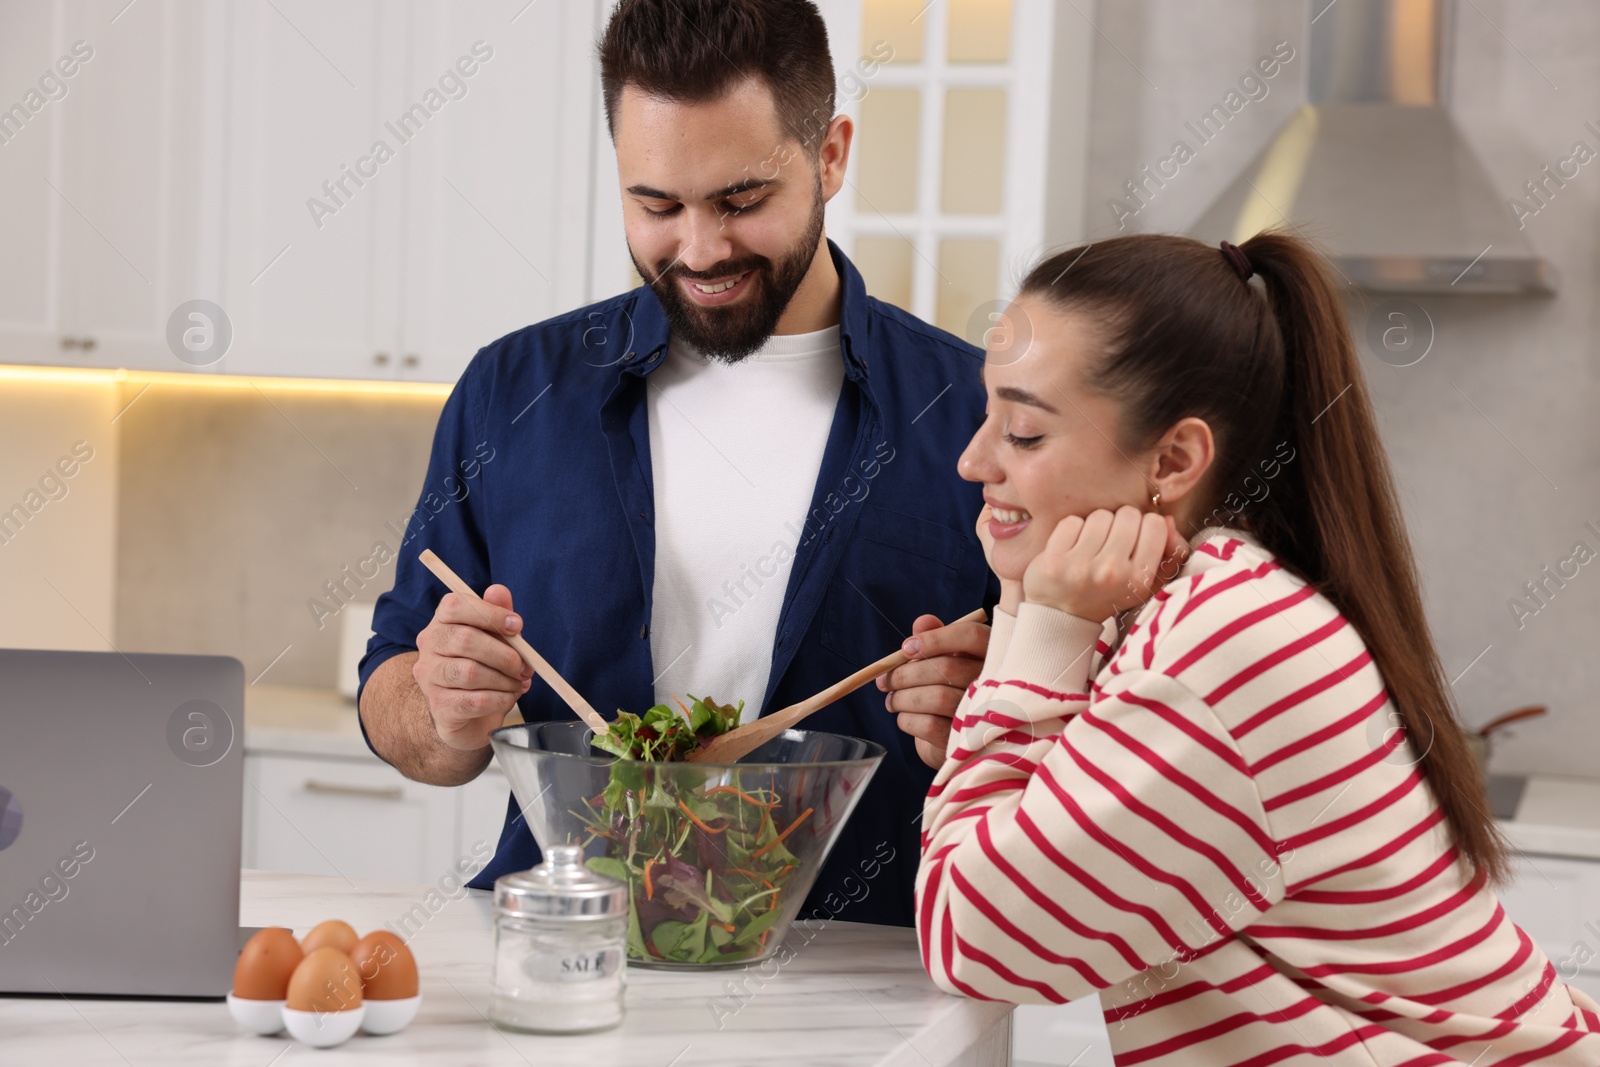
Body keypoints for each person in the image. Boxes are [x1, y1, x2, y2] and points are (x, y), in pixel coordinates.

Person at [357, 0, 997, 927]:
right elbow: (395, 699)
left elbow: (1085, 751)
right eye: (656, 205)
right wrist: (438, 708)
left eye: (742, 201)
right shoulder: (514, 390)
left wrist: (998, 719)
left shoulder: (973, 411)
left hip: (865, 988)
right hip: (565, 962)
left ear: (830, 156)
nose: (700, 250)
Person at [917, 231, 1600, 1063]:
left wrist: (1035, 628)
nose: (971, 459)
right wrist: (1009, 701)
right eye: (986, 413)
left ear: (1174, 459)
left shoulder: (1216, 650)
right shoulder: (1201, 607)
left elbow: (972, 935)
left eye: (1022, 432)